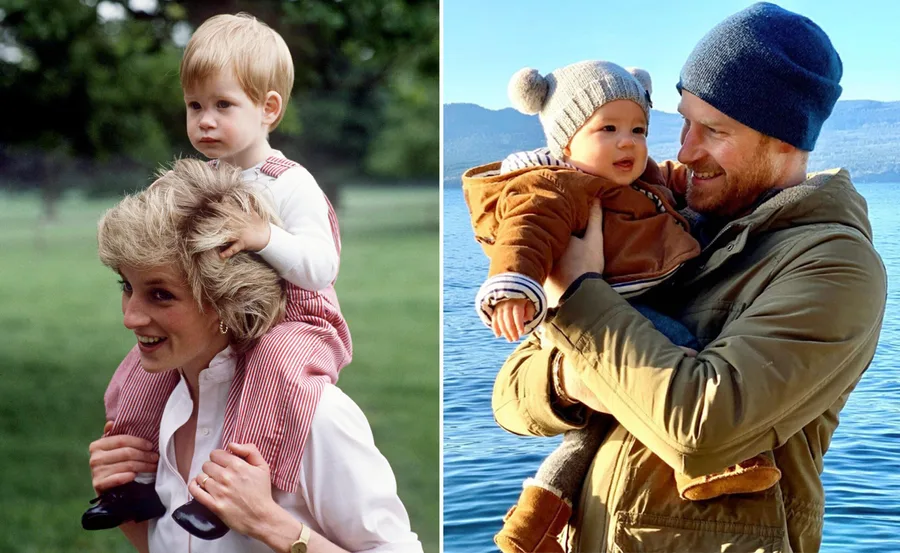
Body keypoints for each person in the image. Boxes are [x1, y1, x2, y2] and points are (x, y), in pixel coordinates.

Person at [491, 3, 886, 552]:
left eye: (715, 131)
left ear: (786, 141)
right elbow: (510, 397)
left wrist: (579, 297)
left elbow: (704, 430)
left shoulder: (832, 263)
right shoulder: (668, 221)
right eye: (683, 121)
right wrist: (569, 382)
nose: (684, 150)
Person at [462, 61, 780, 553]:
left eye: (638, 129)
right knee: (685, 349)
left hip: (608, 314)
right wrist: (511, 287)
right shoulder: (555, 187)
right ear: (566, 139)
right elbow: (525, 233)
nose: (627, 142)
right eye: (607, 129)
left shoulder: (634, 178)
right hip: (604, 309)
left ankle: (535, 523)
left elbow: (674, 181)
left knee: (589, 431)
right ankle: (731, 457)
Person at [81, 13, 352, 538]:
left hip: (297, 320)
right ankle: (132, 482)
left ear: (268, 108)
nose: (205, 121)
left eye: (223, 105)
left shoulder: (289, 182)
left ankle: (224, 490)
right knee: (135, 374)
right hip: (221, 314)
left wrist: (263, 237)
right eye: (195, 106)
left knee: (273, 365)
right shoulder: (201, 176)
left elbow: (321, 268)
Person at [87, 159, 422, 553]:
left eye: (161, 294)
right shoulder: (160, 408)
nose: (130, 316)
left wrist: (269, 523)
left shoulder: (315, 416)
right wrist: (127, 508)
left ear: (227, 301)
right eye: (127, 285)